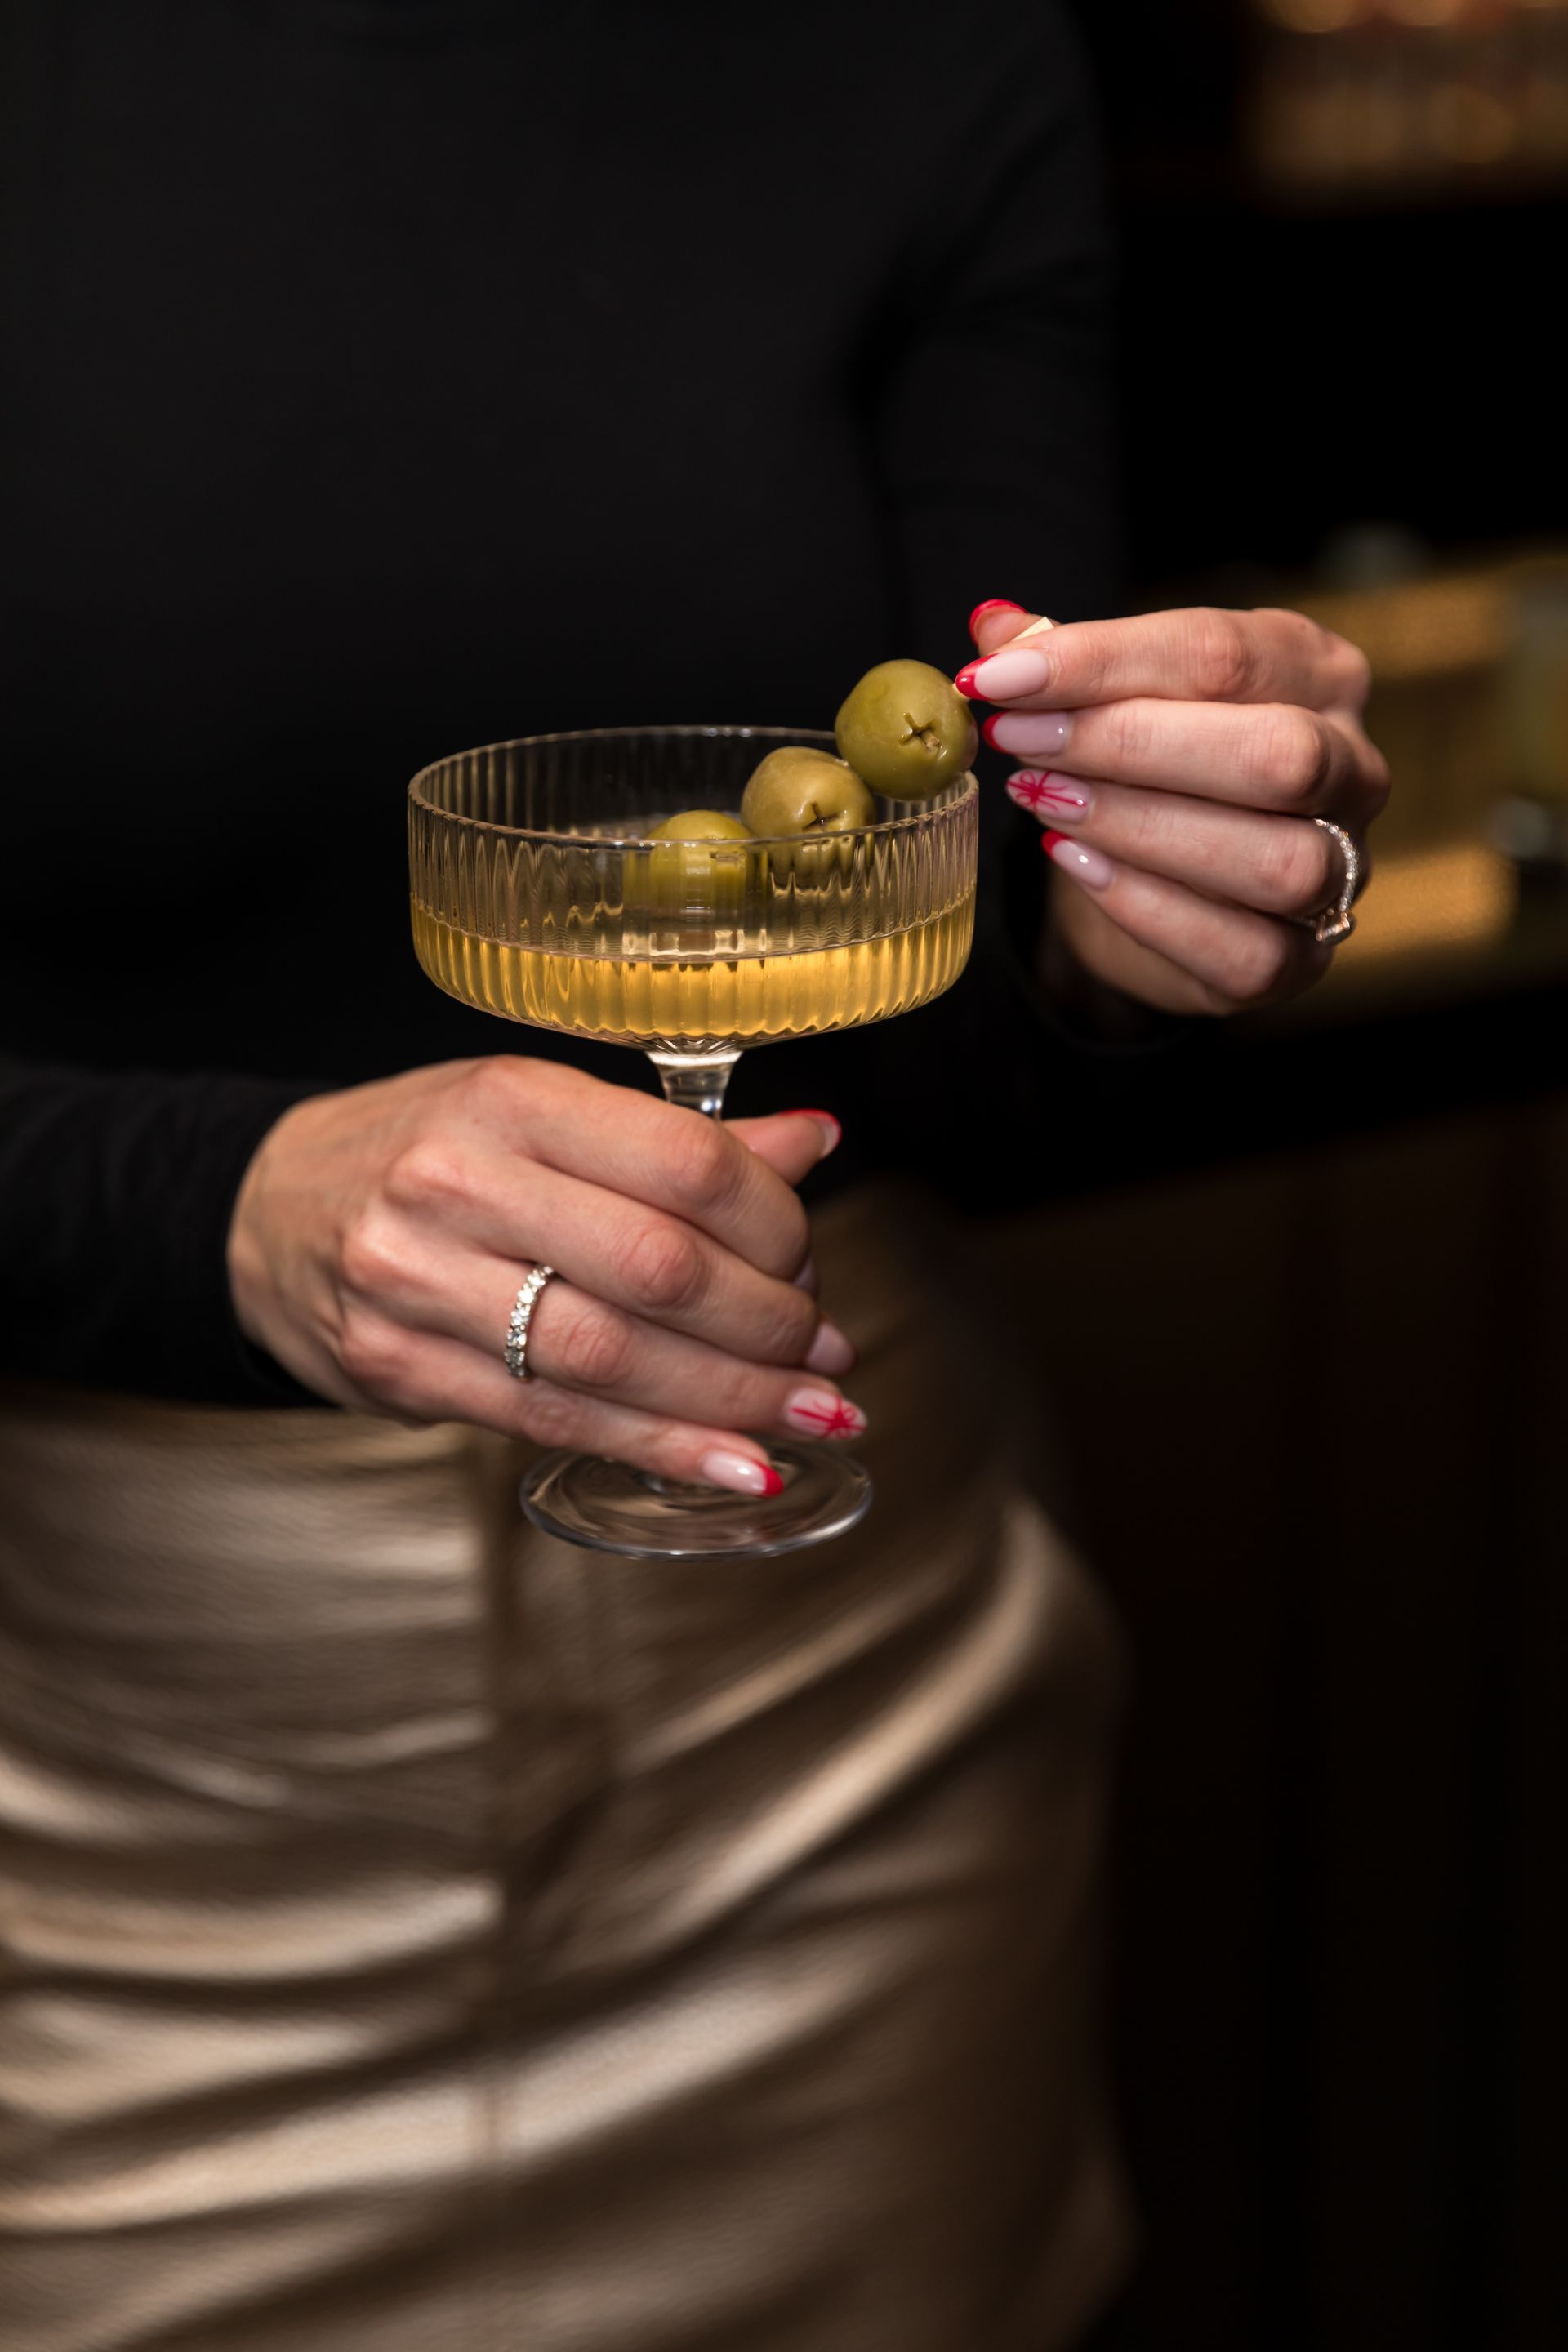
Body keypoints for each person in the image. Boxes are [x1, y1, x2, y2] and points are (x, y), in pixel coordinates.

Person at [0, 5, 1387, 2347]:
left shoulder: (934, 53)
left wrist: (1167, 908)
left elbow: (977, 969)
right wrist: (214, 1200)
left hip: (835, 1760)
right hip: (91, 1826)